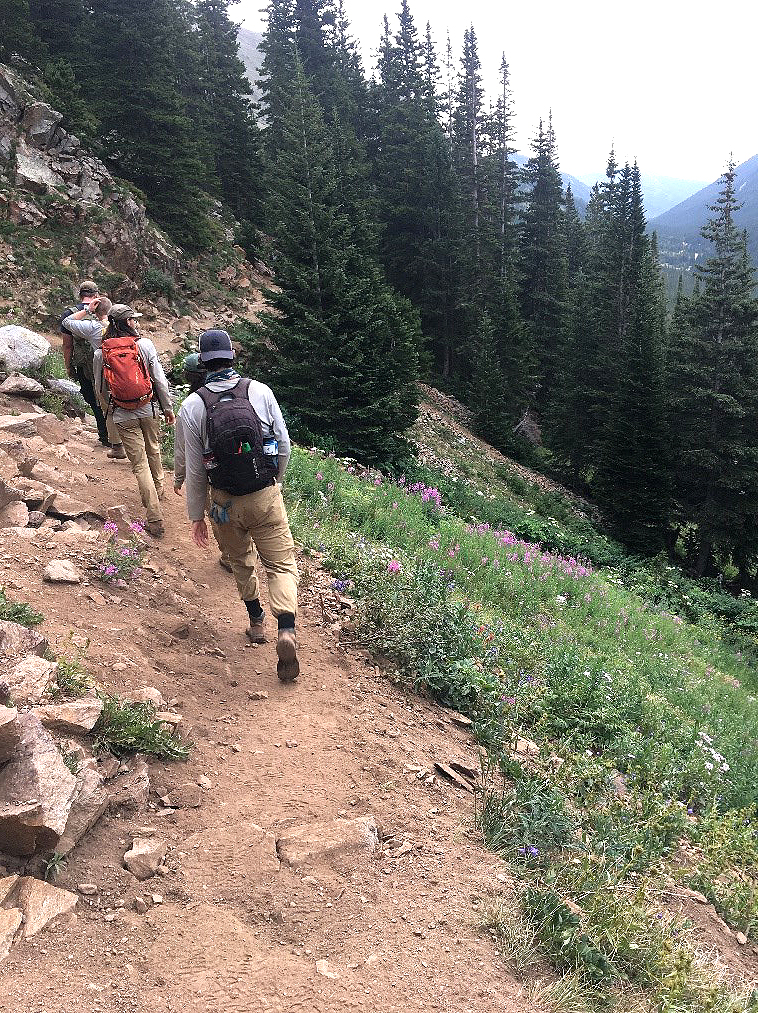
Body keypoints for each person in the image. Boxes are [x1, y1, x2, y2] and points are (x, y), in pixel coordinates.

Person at [178, 329, 300, 682]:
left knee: (241, 561)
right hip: (264, 495)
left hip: (225, 502)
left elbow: (196, 467)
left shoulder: (192, 405)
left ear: (202, 362)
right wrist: (275, 481)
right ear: (233, 356)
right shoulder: (259, 391)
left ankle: (256, 622)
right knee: (280, 564)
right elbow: (284, 444)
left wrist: (195, 515)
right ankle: (287, 628)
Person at [93, 304, 175, 538]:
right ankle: (159, 490)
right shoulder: (145, 345)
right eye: (134, 320)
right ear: (127, 323)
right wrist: (167, 408)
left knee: (139, 465)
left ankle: (154, 515)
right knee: (154, 450)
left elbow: (100, 388)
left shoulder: (101, 352)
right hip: (148, 407)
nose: (137, 323)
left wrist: (111, 411)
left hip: (122, 413)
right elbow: (159, 380)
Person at [173, 353, 232, 572]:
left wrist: (179, 477)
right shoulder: (237, 392)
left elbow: (183, 449)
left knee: (219, 516)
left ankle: (229, 555)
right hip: (239, 465)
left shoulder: (190, 405)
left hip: (210, 473)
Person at [62, 296, 126, 459]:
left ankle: (114, 443)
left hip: (103, 369)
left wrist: (87, 310)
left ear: (96, 311)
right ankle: (128, 440)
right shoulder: (123, 325)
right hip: (124, 369)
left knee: (106, 405)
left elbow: (66, 322)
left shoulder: (93, 327)